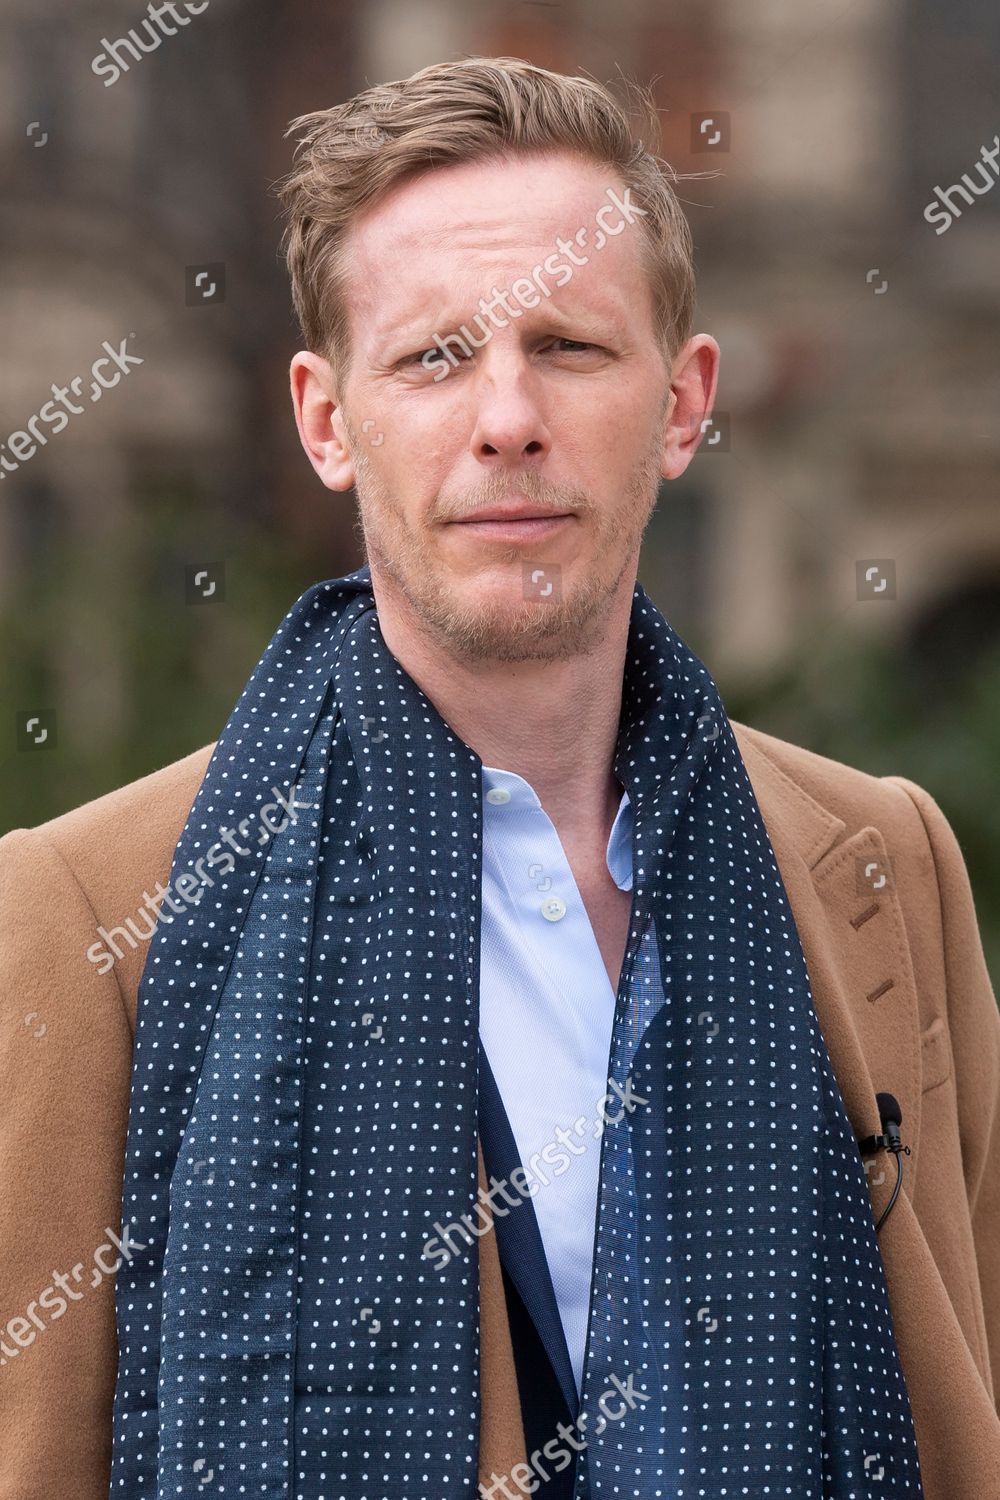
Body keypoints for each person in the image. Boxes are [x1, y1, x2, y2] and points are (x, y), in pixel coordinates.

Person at [0, 55, 997, 1500]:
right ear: (327, 419)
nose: (508, 417)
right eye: (435, 356)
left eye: (572, 348)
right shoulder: (80, 912)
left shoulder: (883, 863)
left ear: (683, 400)